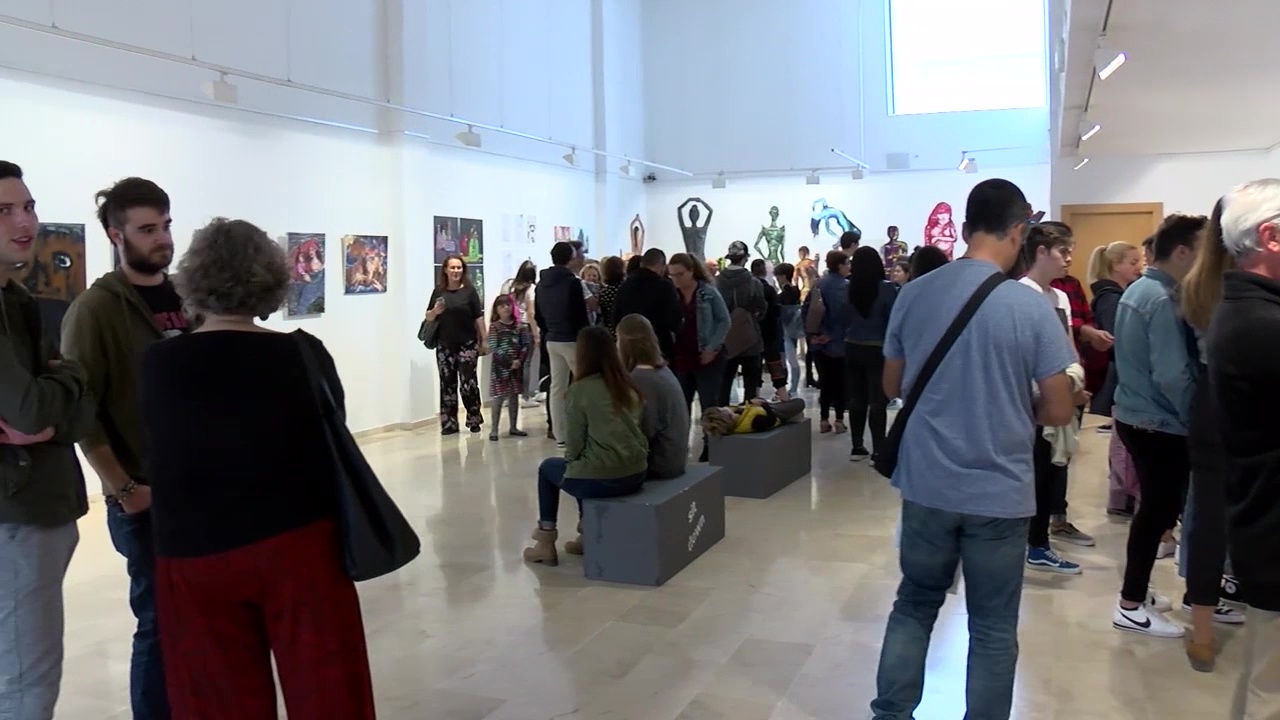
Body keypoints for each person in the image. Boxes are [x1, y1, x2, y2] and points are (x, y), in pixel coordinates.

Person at [138, 217, 376, 718]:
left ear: (195, 278)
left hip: (195, 551)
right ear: (269, 280)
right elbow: (333, 435)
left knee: (216, 701)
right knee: (329, 693)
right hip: (299, 544)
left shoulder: (160, 363)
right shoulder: (303, 355)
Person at [871, 179, 1077, 720]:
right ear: (1018, 232)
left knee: (914, 604)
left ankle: (890, 714)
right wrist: (1013, 406)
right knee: (991, 626)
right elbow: (1058, 408)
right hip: (999, 491)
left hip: (927, 483)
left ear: (964, 231)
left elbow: (893, 386)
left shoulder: (914, 294)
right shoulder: (1029, 308)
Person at [61, 176, 188, 720]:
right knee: (158, 624)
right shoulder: (95, 311)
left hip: (200, 489)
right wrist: (126, 489)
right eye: (146, 229)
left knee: (199, 619)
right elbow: (82, 412)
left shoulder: (187, 294)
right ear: (116, 235)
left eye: (165, 226)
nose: (161, 239)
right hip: (146, 494)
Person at [0, 160, 95, 720]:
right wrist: (72, 378)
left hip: (35, 505)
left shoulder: (18, 300)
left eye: (29, 206)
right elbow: (29, 409)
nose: (25, 220)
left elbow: (62, 414)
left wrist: (67, 385)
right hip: (17, 515)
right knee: (26, 685)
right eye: (5, 210)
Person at [1111, 213, 1205, 639]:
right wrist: (1198, 420)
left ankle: (1138, 594)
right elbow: (1172, 374)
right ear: (1182, 251)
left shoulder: (1141, 290)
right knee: (1157, 513)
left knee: (1153, 512)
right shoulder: (1161, 299)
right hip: (1158, 421)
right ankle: (1130, 604)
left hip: (1137, 415)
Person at [1209, 178, 1280, 717]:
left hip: (1263, 521)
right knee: (1270, 686)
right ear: (1271, 237)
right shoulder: (1260, 322)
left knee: (1264, 673)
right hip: (1272, 525)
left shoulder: (1248, 310)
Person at [522, 326, 649, 566]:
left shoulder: (580, 390)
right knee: (586, 465)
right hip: (636, 472)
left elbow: (574, 446)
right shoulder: (627, 385)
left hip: (603, 478)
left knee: (551, 468)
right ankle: (585, 532)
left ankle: (546, 541)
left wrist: (576, 462)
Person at [1017, 224, 1090, 574]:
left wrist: (1075, 380)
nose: (1069, 259)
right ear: (1041, 252)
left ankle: (1039, 540)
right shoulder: (1019, 294)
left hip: (1060, 389)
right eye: (1063, 251)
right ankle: (1033, 542)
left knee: (1052, 469)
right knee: (1034, 471)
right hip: (1031, 398)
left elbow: (1067, 343)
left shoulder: (1058, 297)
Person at [1087, 241, 1143, 515]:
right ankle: (1123, 497)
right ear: (1114, 265)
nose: (1139, 267)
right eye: (1132, 263)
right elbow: (1118, 338)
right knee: (1123, 446)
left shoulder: (1120, 294)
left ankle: (1122, 498)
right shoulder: (1110, 298)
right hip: (1118, 375)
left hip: (1120, 374)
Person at [667, 252, 729, 462]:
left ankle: (710, 445)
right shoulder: (672, 295)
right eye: (672, 275)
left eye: (680, 274)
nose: (676, 279)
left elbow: (724, 321)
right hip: (681, 356)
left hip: (706, 357)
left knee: (708, 403)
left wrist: (712, 347)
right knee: (680, 404)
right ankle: (679, 446)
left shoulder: (708, 293)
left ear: (691, 271)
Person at [616, 314, 689, 479]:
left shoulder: (641, 378)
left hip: (660, 464)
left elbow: (643, 431)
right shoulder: (661, 370)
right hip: (674, 456)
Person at [535, 242, 590, 447]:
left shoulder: (542, 284)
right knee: (586, 384)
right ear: (570, 258)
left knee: (557, 388)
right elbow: (580, 315)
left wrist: (549, 329)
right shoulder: (572, 283)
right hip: (572, 339)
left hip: (552, 339)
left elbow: (539, 315)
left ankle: (560, 434)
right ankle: (588, 431)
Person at [425, 255, 487, 435]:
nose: (455, 271)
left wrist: (484, 339)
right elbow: (428, 317)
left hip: (467, 343)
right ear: (445, 270)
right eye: (452, 268)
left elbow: (479, 317)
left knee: (468, 382)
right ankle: (449, 423)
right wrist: (435, 311)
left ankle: (474, 418)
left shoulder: (469, 292)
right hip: (445, 344)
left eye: (458, 268)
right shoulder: (439, 292)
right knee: (447, 384)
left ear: (463, 270)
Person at [844, 246, 896, 462]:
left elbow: (842, 318)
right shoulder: (886, 289)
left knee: (857, 398)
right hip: (878, 348)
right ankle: (878, 448)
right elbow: (893, 319)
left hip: (852, 346)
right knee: (877, 400)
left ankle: (857, 446)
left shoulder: (848, 288)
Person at [716, 241, 767, 405]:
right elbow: (762, 309)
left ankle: (722, 420)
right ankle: (749, 420)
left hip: (724, 340)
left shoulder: (716, 282)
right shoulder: (754, 283)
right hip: (749, 339)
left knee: (723, 385)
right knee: (751, 387)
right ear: (745, 258)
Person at [804, 250, 850, 433]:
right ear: (839, 265)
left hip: (817, 342)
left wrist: (813, 334)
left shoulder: (818, 284)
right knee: (840, 382)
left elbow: (806, 311)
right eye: (847, 263)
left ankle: (823, 420)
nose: (849, 267)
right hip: (838, 342)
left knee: (825, 381)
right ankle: (839, 420)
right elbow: (845, 316)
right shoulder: (846, 287)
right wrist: (832, 334)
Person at [611, 248, 682, 360]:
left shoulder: (625, 286)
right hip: (658, 346)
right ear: (661, 265)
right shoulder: (664, 286)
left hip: (629, 348)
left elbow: (616, 318)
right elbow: (674, 319)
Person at [486, 294, 531, 441]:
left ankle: (513, 426)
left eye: (508, 305)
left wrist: (519, 361)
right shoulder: (495, 327)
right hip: (500, 369)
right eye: (501, 306)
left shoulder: (520, 327)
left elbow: (525, 345)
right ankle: (494, 429)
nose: (505, 308)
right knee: (498, 399)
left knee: (514, 397)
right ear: (496, 310)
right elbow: (494, 346)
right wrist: (508, 363)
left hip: (516, 367)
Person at [500, 260, 541, 407]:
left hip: (510, 327)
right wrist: (536, 334)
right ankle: (524, 396)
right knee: (526, 363)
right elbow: (531, 313)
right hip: (525, 328)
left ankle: (509, 395)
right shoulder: (531, 289)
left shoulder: (509, 286)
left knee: (512, 361)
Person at [751, 259, 788, 400]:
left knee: (755, 369)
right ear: (765, 271)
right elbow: (776, 312)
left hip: (753, 336)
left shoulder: (750, 288)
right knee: (776, 367)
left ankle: (755, 398)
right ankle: (784, 396)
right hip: (770, 335)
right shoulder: (770, 290)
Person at [702, 397, 807, 435]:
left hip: (761, 409)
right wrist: (765, 406)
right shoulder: (755, 422)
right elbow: (771, 420)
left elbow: (741, 407)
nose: (724, 407)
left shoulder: (736, 419)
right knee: (799, 402)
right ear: (728, 416)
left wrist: (750, 402)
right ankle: (793, 416)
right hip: (776, 414)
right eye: (721, 409)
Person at [774, 262, 804, 396]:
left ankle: (791, 388)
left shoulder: (785, 294)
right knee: (790, 359)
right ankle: (791, 387)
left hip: (785, 329)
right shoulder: (795, 291)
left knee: (788, 359)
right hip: (793, 328)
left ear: (783, 276)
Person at [596, 255, 625, 337]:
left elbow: (602, 312)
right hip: (624, 330)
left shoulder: (604, 293)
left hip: (609, 332)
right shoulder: (626, 289)